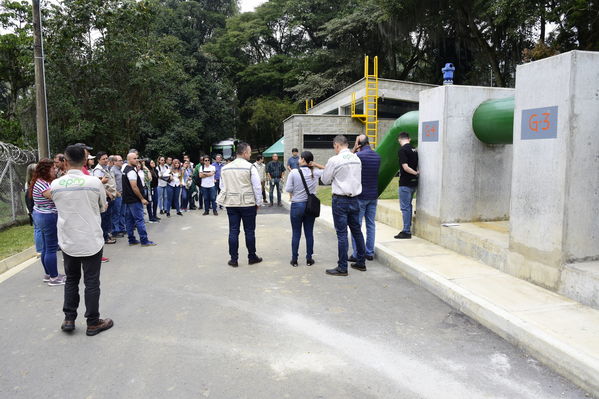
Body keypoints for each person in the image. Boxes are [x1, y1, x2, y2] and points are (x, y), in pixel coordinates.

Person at [51, 144, 113, 335]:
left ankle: (69, 318)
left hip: (68, 240)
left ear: (66, 162)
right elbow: (103, 207)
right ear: (85, 161)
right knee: (92, 281)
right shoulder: (94, 182)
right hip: (91, 240)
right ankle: (93, 322)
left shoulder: (56, 184)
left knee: (71, 280)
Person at [319, 135, 366, 276]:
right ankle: (361, 262)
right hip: (355, 198)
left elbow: (325, 179)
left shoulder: (334, 160)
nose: (334, 149)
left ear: (337, 145)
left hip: (340, 200)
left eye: (334, 147)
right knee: (357, 230)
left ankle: (342, 267)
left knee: (342, 234)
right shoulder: (357, 158)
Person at [217, 142, 263, 267]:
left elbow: (222, 186)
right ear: (244, 153)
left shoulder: (225, 168)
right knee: (249, 231)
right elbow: (257, 187)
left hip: (231, 202)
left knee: (233, 231)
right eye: (249, 152)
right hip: (248, 203)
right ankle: (252, 257)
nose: (250, 154)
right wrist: (258, 202)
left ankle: (234, 259)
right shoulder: (250, 167)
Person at [30, 159, 65, 285]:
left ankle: (49, 274)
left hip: (41, 215)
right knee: (51, 248)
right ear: (46, 170)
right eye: (53, 168)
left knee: (46, 247)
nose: (55, 170)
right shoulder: (43, 185)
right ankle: (54, 278)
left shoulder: (40, 181)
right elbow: (56, 197)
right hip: (48, 217)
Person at [284, 151, 322, 267]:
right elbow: (328, 170)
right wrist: (315, 165)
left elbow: (288, 189)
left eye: (300, 158)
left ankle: (294, 260)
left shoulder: (294, 172)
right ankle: (309, 259)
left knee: (296, 233)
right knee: (309, 233)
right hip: (310, 206)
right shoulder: (315, 172)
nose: (298, 160)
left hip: (297, 205)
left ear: (303, 160)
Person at [350, 135, 381, 262]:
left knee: (356, 226)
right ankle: (369, 252)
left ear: (359, 143)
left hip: (360, 196)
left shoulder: (357, 157)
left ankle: (357, 253)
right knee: (371, 225)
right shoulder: (377, 156)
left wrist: (353, 149)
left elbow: (348, 162)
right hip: (373, 195)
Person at [122, 152, 157, 246]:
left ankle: (131, 239)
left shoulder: (125, 169)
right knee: (139, 220)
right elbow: (134, 187)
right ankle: (144, 240)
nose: (136, 160)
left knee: (129, 220)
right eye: (134, 158)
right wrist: (142, 198)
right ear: (129, 160)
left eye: (137, 158)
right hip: (134, 200)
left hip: (128, 199)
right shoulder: (131, 171)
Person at [395, 132, 419, 239]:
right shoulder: (414, 150)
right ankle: (407, 229)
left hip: (405, 183)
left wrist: (415, 173)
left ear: (400, 140)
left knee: (405, 208)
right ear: (408, 139)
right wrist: (416, 174)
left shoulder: (402, 150)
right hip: (414, 183)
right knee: (408, 206)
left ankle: (406, 231)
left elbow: (405, 167)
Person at [92, 152, 117, 245]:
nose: (106, 160)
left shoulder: (106, 168)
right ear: (98, 160)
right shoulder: (98, 170)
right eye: (103, 159)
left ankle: (107, 234)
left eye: (107, 158)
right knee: (104, 218)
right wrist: (108, 193)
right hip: (104, 197)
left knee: (109, 217)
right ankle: (105, 237)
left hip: (110, 196)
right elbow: (98, 184)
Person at [25, 163, 42, 254]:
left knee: (37, 228)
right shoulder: (33, 183)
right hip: (34, 208)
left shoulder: (29, 182)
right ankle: (40, 249)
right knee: (38, 228)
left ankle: (39, 248)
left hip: (33, 208)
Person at [110, 155, 126, 237]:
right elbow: (112, 183)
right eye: (120, 160)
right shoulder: (113, 170)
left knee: (122, 212)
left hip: (122, 194)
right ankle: (115, 230)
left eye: (122, 160)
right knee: (116, 213)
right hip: (117, 194)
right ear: (114, 162)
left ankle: (122, 228)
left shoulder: (120, 170)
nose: (122, 162)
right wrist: (116, 192)